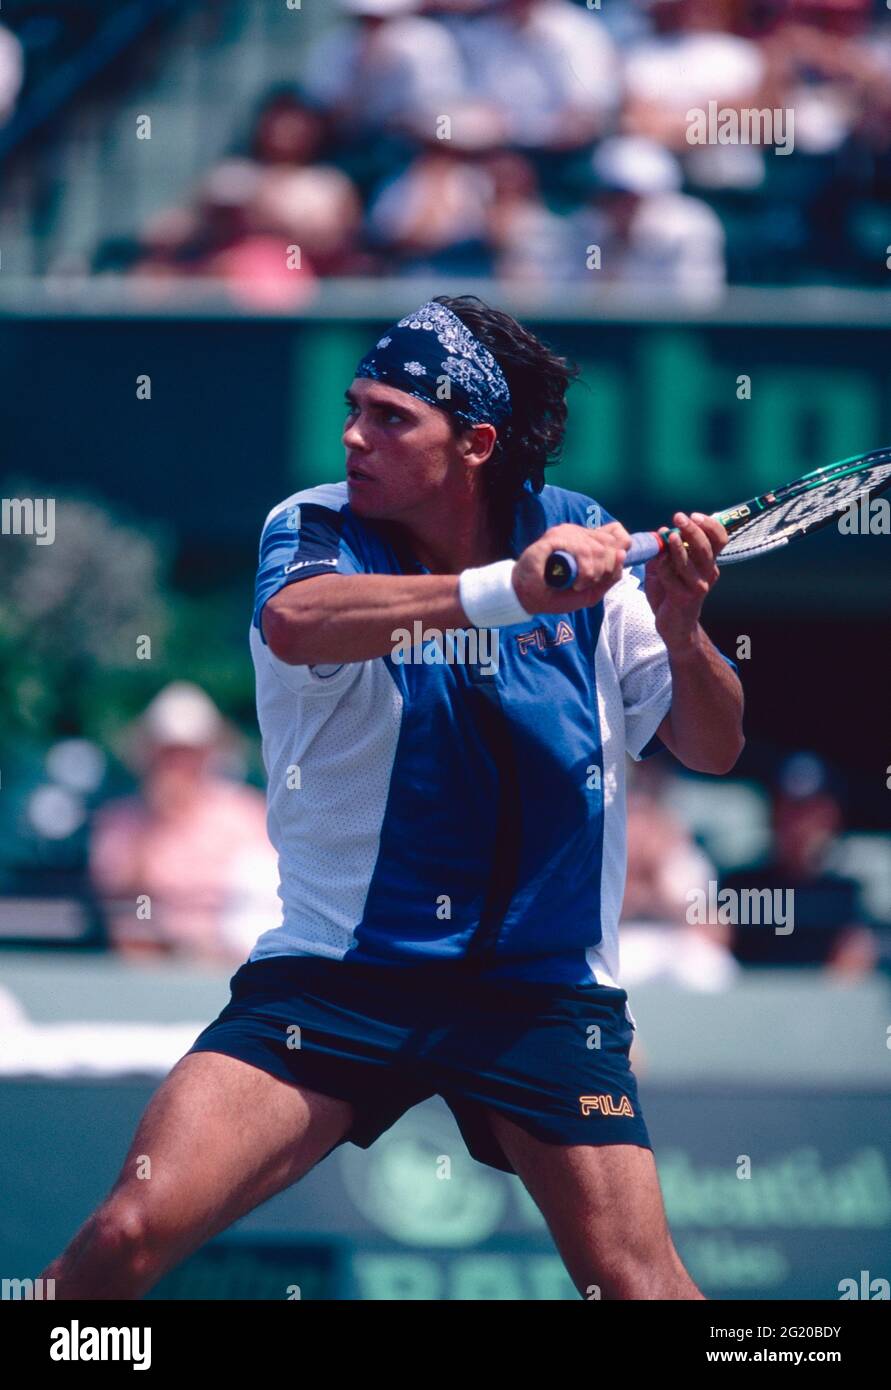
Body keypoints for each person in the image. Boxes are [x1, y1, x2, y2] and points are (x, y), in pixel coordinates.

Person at [43, 296, 744, 1301]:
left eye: (390, 418)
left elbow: (713, 746)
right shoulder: (315, 527)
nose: (353, 436)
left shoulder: (582, 535)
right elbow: (299, 624)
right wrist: (514, 588)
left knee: (646, 1289)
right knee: (125, 1234)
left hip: (540, 993)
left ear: (476, 443)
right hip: (340, 978)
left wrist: (682, 631)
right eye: (353, 407)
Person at [89, 682, 279, 961]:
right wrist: (153, 825)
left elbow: (265, 897)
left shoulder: (246, 815)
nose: (177, 763)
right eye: (168, 752)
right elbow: (117, 898)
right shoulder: (120, 821)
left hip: (227, 963)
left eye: (188, 752)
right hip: (146, 963)